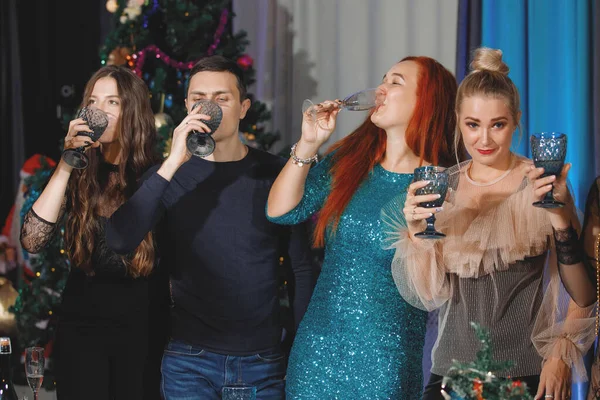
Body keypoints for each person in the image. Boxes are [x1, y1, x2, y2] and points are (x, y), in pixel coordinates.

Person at [389, 47, 596, 400]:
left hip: (527, 375)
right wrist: (416, 235)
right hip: (449, 376)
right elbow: (427, 295)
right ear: (457, 121)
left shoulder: (540, 183)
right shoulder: (443, 187)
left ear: (516, 120)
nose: (484, 140)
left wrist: (561, 352)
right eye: (473, 125)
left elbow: (582, 290)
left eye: (497, 125)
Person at [104, 55, 314, 400]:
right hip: (189, 362)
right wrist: (173, 161)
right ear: (187, 105)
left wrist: (301, 352)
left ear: (243, 107)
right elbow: (120, 238)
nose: (209, 107)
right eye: (199, 98)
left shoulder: (275, 173)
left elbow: (301, 267)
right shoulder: (169, 174)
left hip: (262, 362)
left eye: (222, 98)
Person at [266, 56, 459, 399]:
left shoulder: (439, 184)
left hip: (387, 360)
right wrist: (308, 143)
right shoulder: (350, 162)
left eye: (395, 82)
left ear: (427, 101)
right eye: (383, 79)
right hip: (317, 352)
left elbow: (434, 289)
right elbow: (281, 212)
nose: (380, 89)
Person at [20, 65, 168, 400]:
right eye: (93, 101)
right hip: (82, 329)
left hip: (143, 330)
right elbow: (32, 239)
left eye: (112, 102)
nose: (99, 110)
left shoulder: (157, 176)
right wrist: (67, 163)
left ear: (132, 110)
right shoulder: (80, 173)